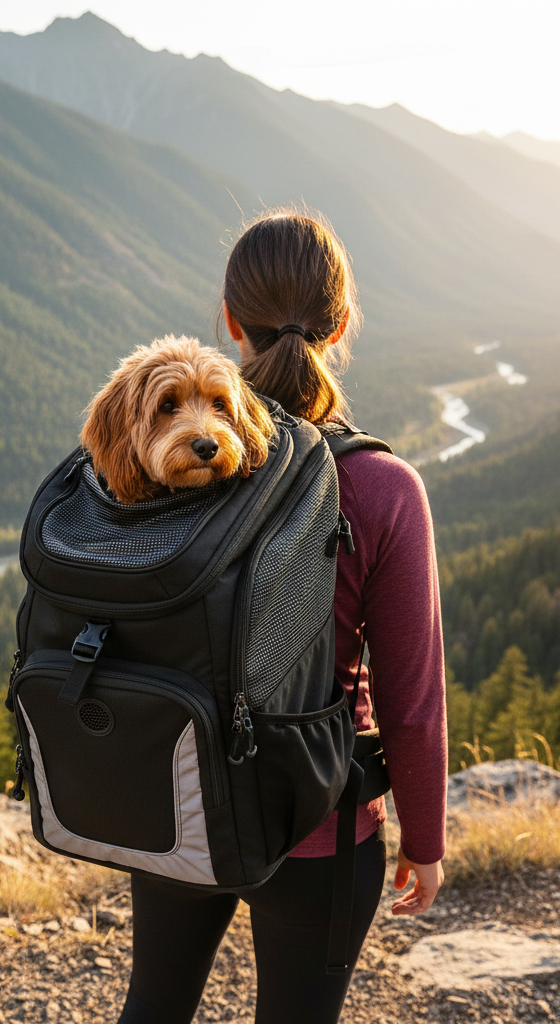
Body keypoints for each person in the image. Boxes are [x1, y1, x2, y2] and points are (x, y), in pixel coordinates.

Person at [116, 209, 448, 1024]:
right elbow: (410, 699)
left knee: (153, 1008)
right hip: (320, 824)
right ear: (340, 324)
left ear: (230, 322)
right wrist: (425, 839)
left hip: (178, 805)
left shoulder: (157, 464)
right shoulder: (382, 488)